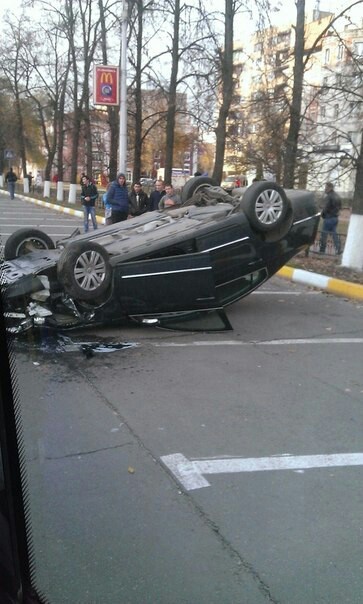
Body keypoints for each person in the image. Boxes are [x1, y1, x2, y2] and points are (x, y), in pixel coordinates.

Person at [319, 182, 342, 255]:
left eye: (326, 187)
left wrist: (322, 215)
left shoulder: (329, 197)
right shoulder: (337, 196)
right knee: (334, 234)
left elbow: (326, 208)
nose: (325, 189)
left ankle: (322, 250)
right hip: (335, 218)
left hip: (329, 218)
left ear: (330, 188)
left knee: (324, 234)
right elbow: (339, 207)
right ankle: (338, 249)